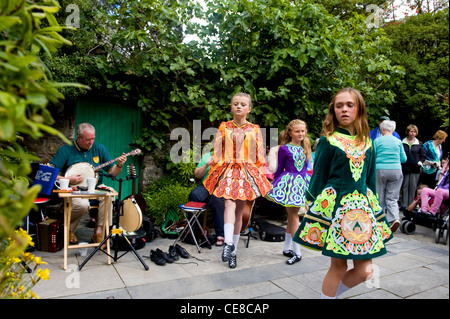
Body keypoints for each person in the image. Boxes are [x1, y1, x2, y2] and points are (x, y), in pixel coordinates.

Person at [293, 87, 393, 299]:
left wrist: (376, 212)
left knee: (366, 271)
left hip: (364, 210)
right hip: (336, 209)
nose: (344, 110)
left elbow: (370, 181)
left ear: (359, 109)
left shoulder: (369, 142)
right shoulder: (328, 141)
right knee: (338, 268)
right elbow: (318, 178)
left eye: (350, 105)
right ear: (333, 110)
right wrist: (311, 205)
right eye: (339, 106)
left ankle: (331, 296)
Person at [203, 92, 272, 268]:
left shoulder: (255, 129)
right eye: (235, 104)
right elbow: (218, 150)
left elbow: (259, 154)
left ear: (249, 109)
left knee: (240, 211)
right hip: (227, 169)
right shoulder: (224, 126)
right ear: (231, 107)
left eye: (242, 104)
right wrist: (214, 164)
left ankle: (233, 252)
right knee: (228, 204)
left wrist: (256, 174)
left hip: (245, 170)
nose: (239, 106)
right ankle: (227, 243)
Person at [49, 123, 127, 245]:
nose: (91, 142)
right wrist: (68, 179)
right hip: (74, 188)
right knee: (82, 204)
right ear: (78, 137)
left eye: (93, 139)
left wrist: (120, 165)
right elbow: (50, 174)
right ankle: (69, 230)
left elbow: (113, 172)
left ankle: (99, 232)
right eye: (87, 139)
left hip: (95, 187)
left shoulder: (99, 149)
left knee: (110, 194)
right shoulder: (65, 150)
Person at [266, 119, 311, 265]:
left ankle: (288, 249)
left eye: (303, 131)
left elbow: (305, 168)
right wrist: (276, 183)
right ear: (290, 133)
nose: (300, 134)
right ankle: (296, 252)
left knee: (293, 217)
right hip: (289, 184)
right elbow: (279, 168)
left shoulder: (306, 146)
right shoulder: (284, 149)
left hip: (302, 183)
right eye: (297, 131)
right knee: (293, 217)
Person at [374, 120, 407, 232]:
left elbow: (372, 156)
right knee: (392, 197)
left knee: (379, 195)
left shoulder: (377, 141)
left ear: (382, 129)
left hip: (380, 169)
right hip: (396, 170)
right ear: (393, 130)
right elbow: (404, 159)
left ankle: (379, 220)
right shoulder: (398, 142)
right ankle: (394, 219)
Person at [188, 147, 225, 246]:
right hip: (206, 185)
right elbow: (197, 175)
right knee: (194, 195)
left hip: (221, 187)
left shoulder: (229, 158)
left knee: (216, 200)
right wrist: (206, 165)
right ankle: (193, 232)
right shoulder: (207, 156)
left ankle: (220, 234)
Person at [400, 125, 425, 211]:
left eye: (414, 132)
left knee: (413, 187)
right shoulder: (402, 142)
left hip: (415, 168)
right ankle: (404, 205)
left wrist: (420, 162)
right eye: (411, 131)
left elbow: (423, 156)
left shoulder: (419, 143)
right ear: (408, 132)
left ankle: (411, 205)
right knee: (405, 186)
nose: (412, 133)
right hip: (405, 167)